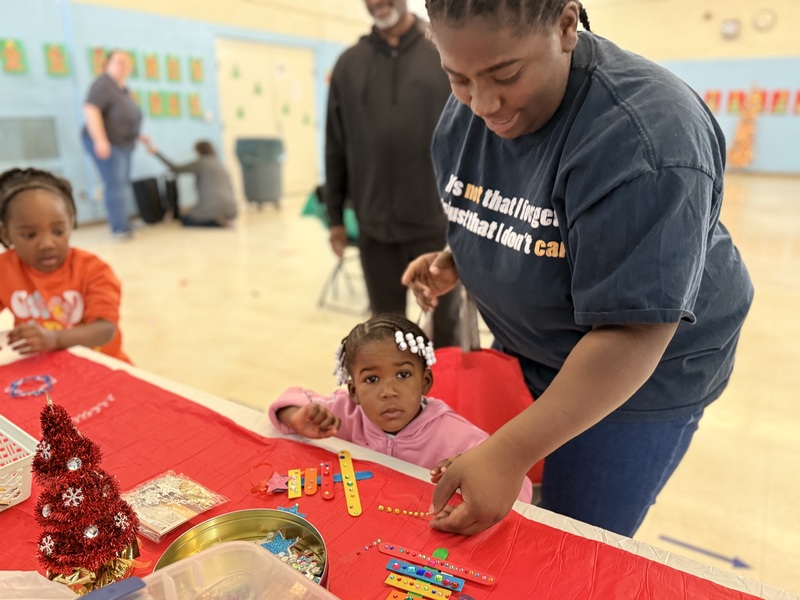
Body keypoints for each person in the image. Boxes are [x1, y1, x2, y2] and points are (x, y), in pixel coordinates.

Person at [402, 0, 753, 538]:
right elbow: (506, 208)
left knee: (567, 537)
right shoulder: (473, 106)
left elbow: (632, 332)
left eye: (506, 74)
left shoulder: (647, 137)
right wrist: (465, 256)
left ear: (566, 26)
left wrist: (510, 451)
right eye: (459, 79)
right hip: (531, 351)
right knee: (511, 512)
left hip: (639, 377)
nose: (483, 104)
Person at [268, 314, 534, 503]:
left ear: (425, 381)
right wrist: (295, 416)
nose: (389, 391)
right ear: (354, 392)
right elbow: (291, 398)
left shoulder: (458, 436)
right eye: (371, 379)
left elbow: (521, 488)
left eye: (404, 375)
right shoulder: (341, 413)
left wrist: (478, 472)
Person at [324, 0, 461, 347]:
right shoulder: (348, 65)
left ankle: (447, 400)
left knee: (445, 326)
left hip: (437, 224)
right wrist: (335, 217)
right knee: (386, 329)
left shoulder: (444, 51)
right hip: (374, 228)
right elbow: (335, 143)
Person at [0, 168, 130, 362]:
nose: (47, 243)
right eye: (29, 235)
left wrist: (54, 339)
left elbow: (105, 329)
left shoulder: (94, 270)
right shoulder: (5, 269)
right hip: (44, 366)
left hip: (102, 364)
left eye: (58, 231)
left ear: (70, 225)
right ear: (6, 235)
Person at [82, 49, 148, 239]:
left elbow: (126, 117)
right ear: (107, 64)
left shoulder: (124, 89)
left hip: (124, 144)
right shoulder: (102, 84)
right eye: (118, 61)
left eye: (126, 62)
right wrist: (100, 140)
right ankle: (119, 227)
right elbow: (91, 110)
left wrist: (138, 135)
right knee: (115, 184)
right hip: (109, 143)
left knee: (122, 184)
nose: (123, 66)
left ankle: (123, 222)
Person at [146, 140, 238, 228]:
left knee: (186, 219)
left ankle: (216, 223)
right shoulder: (219, 164)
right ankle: (224, 219)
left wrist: (156, 153)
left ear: (198, 151)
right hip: (231, 208)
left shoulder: (201, 163)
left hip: (212, 207)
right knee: (195, 212)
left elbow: (175, 169)